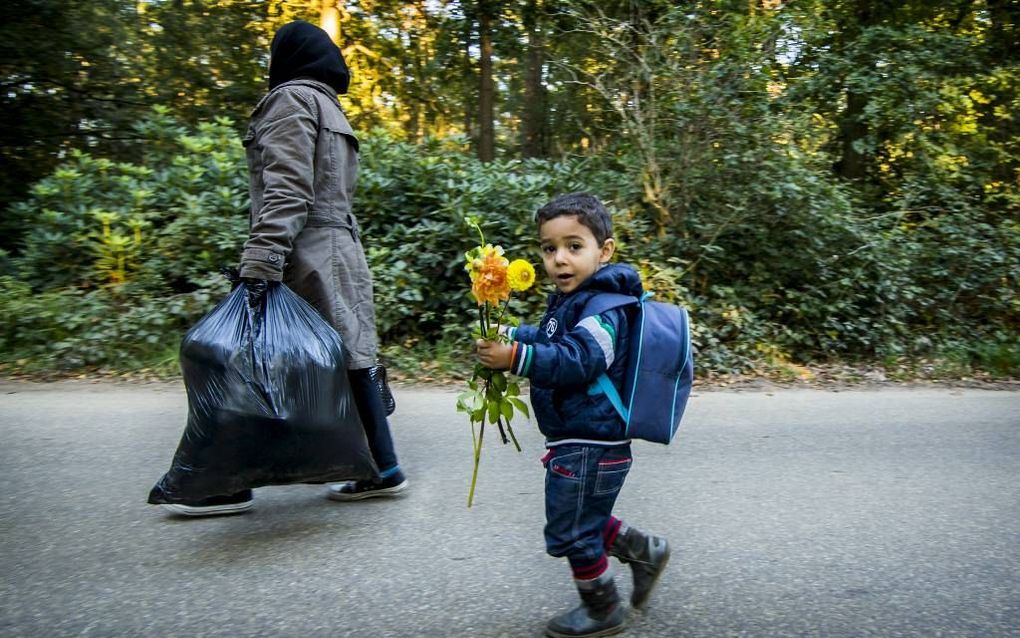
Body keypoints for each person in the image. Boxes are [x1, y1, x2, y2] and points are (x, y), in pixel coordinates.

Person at [161, 21, 406, 517]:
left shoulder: (290, 101)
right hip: (341, 247)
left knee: (249, 357)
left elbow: (288, 190)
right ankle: (383, 467)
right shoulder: (329, 106)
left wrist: (261, 260)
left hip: (305, 249)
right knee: (347, 353)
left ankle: (228, 482)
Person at [475, 193, 669, 638]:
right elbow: (549, 336)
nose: (559, 259)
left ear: (604, 251)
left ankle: (602, 609)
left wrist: (515, 358)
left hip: (592, 445)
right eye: (549, 248)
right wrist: (506, 335)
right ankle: (644, 550)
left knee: (573, 530)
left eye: (574, 246)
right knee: (583, 517)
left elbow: (580, 359)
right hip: (580, 439)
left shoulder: (604, 308)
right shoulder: (573, 301)